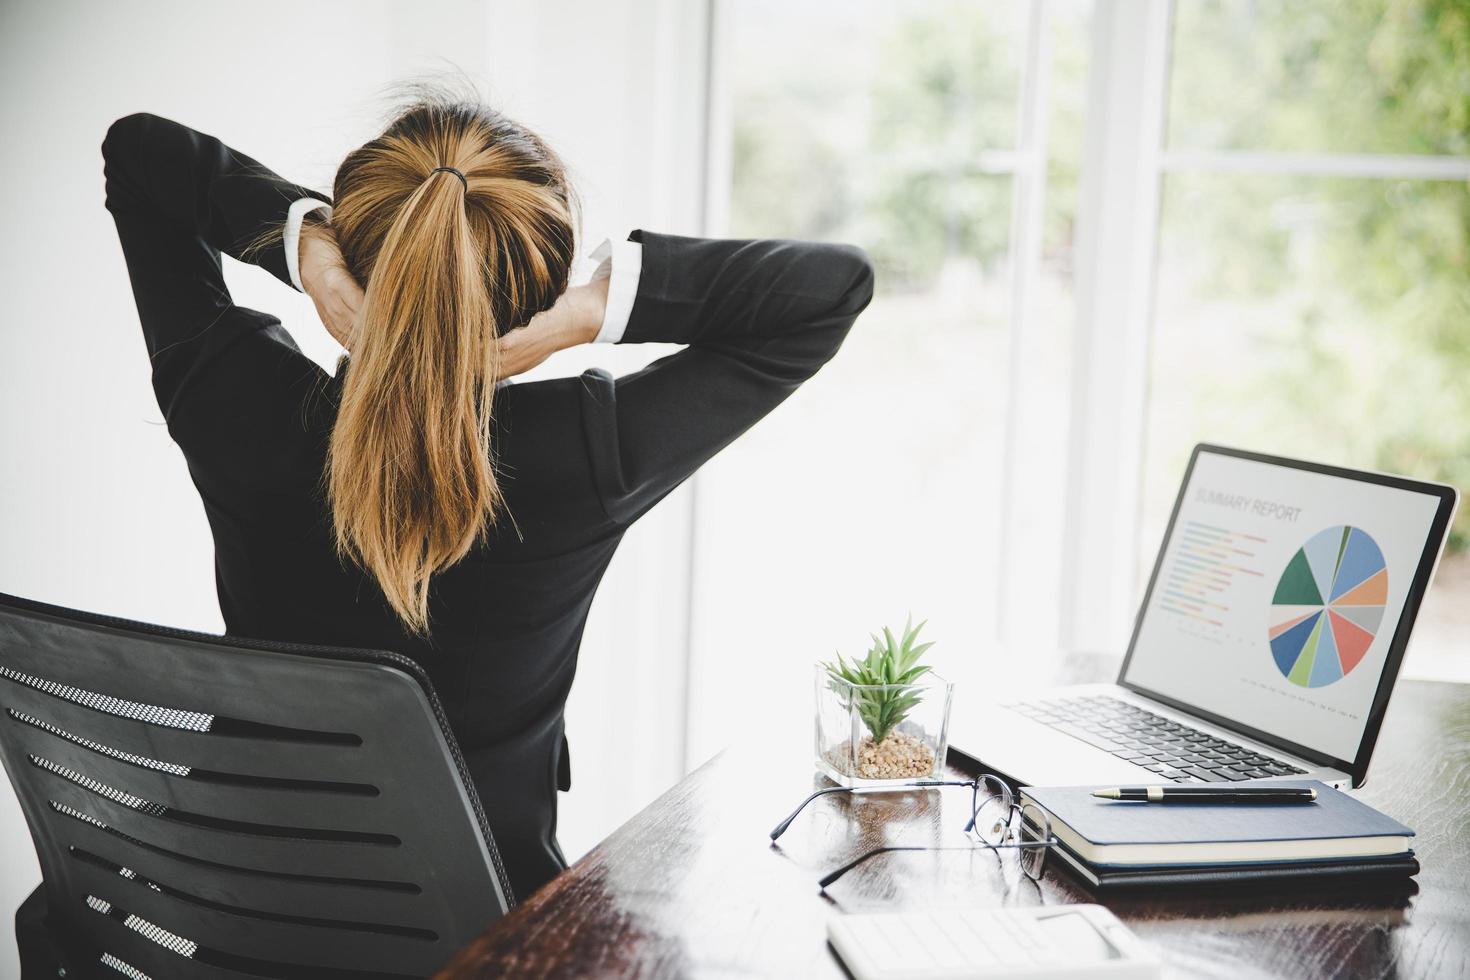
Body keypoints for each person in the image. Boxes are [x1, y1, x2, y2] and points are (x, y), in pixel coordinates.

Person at [100, 89, 874, 901]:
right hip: (487, 936)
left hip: (236, 914)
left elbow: (141, 153)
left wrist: (310, 254)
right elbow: (833, 290)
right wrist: (588, 312)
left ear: (366, 267)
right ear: (533, 285)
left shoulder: (236, 405)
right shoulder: (587, 456)